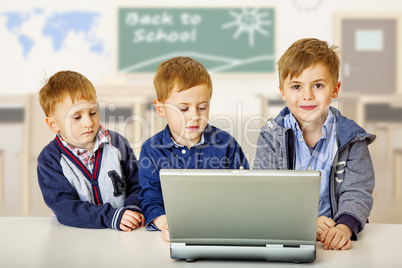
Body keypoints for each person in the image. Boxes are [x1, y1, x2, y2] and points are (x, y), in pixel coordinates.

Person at [253, 38, 375, 250]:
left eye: (318, 85)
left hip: (335, 236)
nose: (307, 96)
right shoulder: (271, 136)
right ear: (283, 92)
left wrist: (344, 228)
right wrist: (304, 223)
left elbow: (358, 192)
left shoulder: (352, 138)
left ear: (335, 90)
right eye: (296, 86)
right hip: (288, 238)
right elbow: (265, 193)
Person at [138, 56, 249, 241]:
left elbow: (247, 190)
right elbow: (150, 199)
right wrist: (165, 224)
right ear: (160, 108)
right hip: (176, 235)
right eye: (183, 109)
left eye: (202, 107)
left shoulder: (226, 143)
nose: (194, 116)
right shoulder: (151, 150)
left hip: (223, 231)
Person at [37, 70, 144, 231]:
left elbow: (138, 184)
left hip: (122, 234)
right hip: (75, 237)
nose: (88, 122)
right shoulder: (50, 160)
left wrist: (132, 209)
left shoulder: (117, 143)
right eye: (77, 117)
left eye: (93, 112)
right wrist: (110, 216)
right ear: (53, 124)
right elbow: (65, 208)